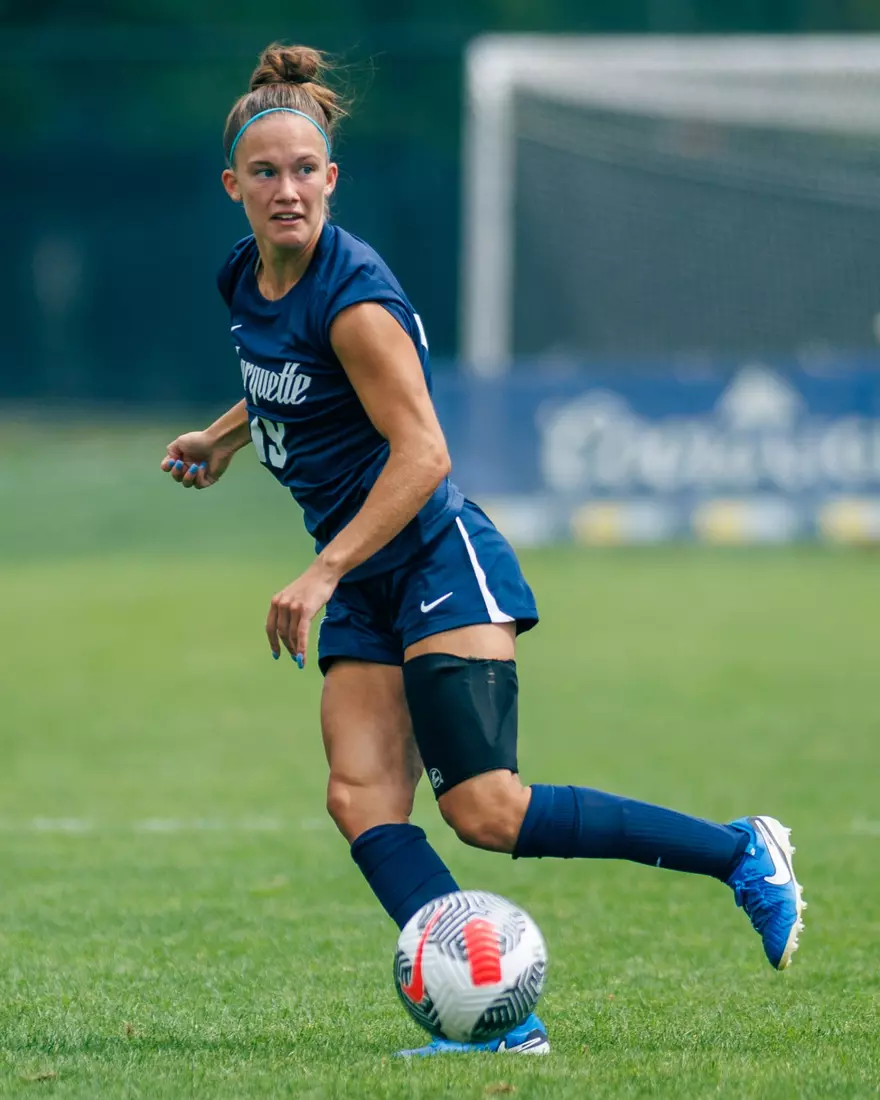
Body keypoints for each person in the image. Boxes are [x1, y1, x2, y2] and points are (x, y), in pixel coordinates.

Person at [161, 43, 805, 1058]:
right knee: (360, 799)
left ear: (332, 178)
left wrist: (323, 568)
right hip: (365, 571)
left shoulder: (357, 295)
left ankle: (740, 851)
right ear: (233, 184)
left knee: (486, 808)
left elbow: (422, 452)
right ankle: (500, 1021)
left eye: (305, 170)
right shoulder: (245, 273)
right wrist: (220, 436)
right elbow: (288, 375)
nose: (287, 189)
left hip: (430, 555)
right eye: (267, 172)